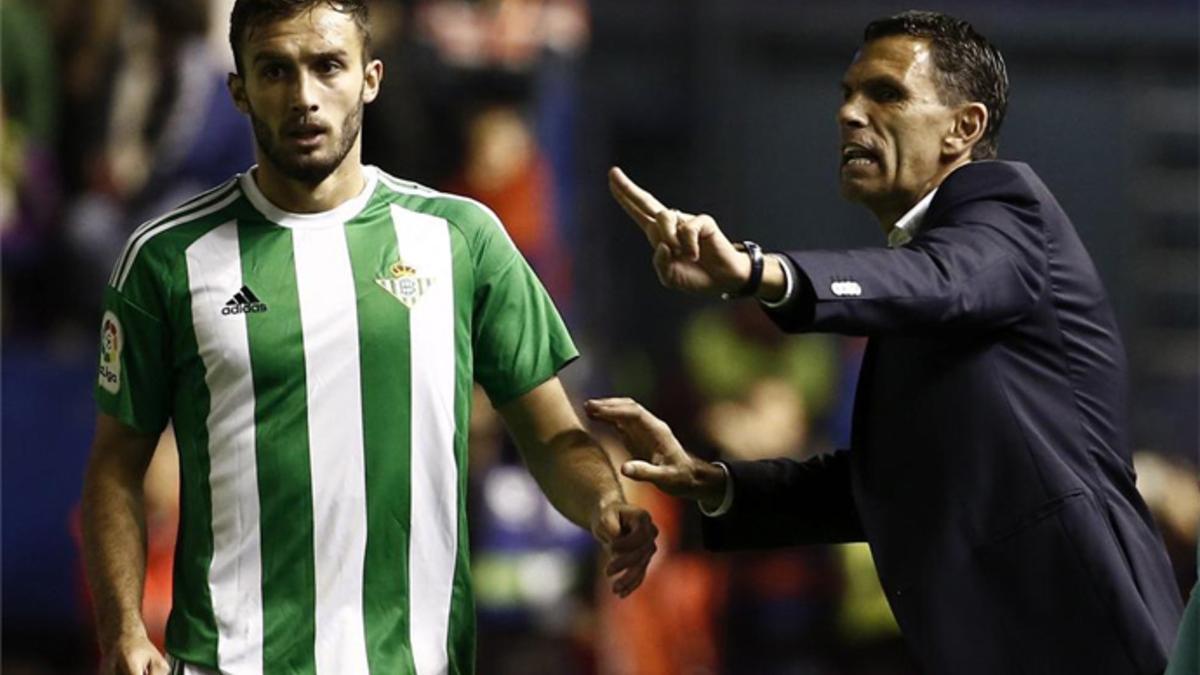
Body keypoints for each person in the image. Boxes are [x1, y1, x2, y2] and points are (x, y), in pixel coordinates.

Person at [586, 10, 1182, 675]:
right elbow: (886, 482)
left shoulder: (1009, 211)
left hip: (1083, 647)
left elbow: (943, 280)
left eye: (886, 93)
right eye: (846, 93)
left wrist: (756, 270)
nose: (849, 113)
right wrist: (715, 482)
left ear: (965, 127)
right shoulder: (920, 288)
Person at [79, 2, 658, 674]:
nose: (304, 97)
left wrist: (606, 505)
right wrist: (122, 629)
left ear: (371, 78)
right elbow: (115, 468)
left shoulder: (462, 240)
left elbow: (554, 436)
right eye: (275, 71)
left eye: (328, 67)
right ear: (238, 90)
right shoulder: (164, 257)